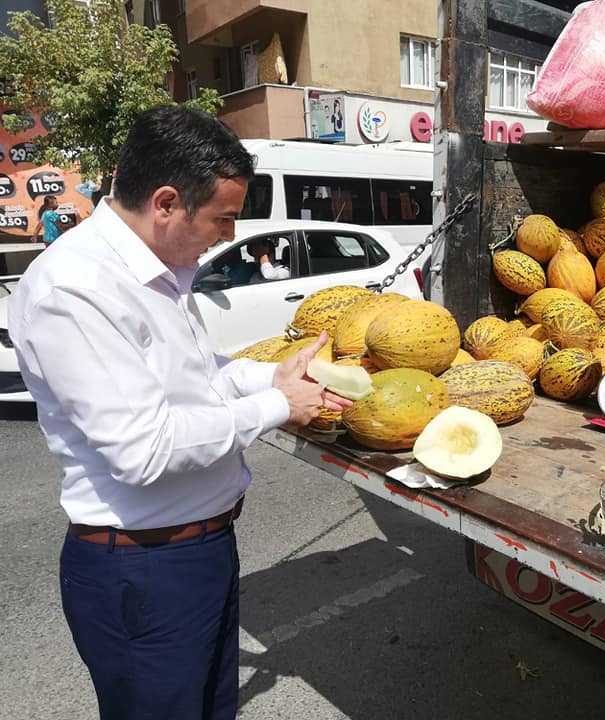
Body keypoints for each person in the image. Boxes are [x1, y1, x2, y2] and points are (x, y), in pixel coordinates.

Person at [7, 105, 352, 720]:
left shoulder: (160, 270)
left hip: (200, 553)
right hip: (142, 571)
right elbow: (143, 451)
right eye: (222, 219)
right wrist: (277, 406)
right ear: (166, 202)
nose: (227, 236)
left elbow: (197, 376)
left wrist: (269, 376)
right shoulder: (76, 290)